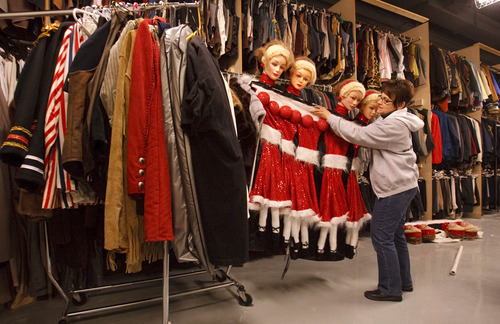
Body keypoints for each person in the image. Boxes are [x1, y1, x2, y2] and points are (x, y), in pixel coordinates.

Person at [312, 79, 424, 301]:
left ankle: (390, 289)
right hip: (402, 185)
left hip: (395, 189)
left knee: (381, 236)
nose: (380, 102)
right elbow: (364, 129)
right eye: (381, 97)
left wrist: (330, 117)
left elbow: (360, 136)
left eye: (386, 100)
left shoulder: (394, 125)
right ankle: (403, 282)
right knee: (395, 236)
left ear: (400, 104)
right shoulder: (390, 118)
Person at [249, 40, 293, 253]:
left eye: (282, 67)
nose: (277, 70)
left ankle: (272, 242)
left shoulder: (283, 95)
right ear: (263, 63)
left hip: (277, 150)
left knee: (275, 195)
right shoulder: (250, 88)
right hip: (257, 149)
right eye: (274, 64)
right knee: (256, 194)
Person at [315, 80, 365, 261]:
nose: (354, 103)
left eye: (358, 101)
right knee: (330, 211)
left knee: (343, 211)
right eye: (352, 98)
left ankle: (339, 248)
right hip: (329, 169)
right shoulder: (331, 116)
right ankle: (325, 249)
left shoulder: (347, 120)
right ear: (342, 95)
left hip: (345, 170)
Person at [281, 56, 320, 258]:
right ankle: (289, 240)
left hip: (301, 154)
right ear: (290, 74)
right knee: (287, 198)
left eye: (306, 79)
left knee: (300, 198)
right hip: (284, 152)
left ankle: (299, 242)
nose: (301, 81)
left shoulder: (307, 102)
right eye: (298, 76)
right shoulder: (279, 96)